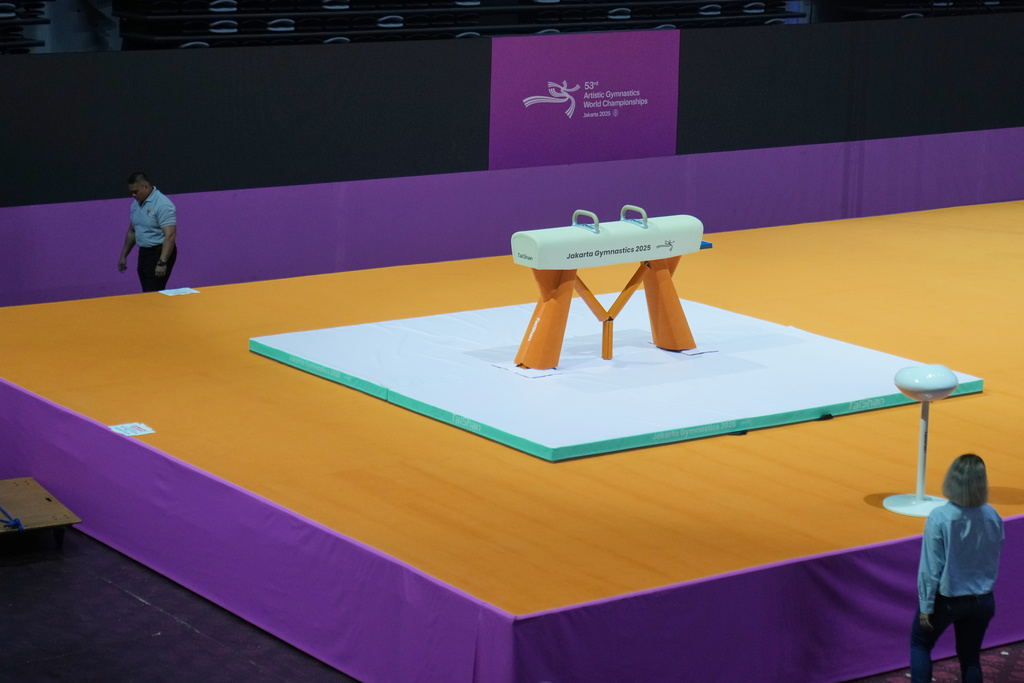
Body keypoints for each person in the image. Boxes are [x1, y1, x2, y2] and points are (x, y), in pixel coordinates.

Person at [911, 453, 1004, 683]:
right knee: (970, 658)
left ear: (951, 479)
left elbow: (931, 568)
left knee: (920, 645)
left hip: (949, 600)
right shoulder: (993, 515)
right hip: (983, 599)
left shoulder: (939, 517)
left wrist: (926, 605)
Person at [118, 172, 178, 292]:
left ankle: (160, 311)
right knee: (146, 291)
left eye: (136, 191)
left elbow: (170, 236)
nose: (133, 195)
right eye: (131, 192)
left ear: (146, 186)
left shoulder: (163, 205)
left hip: (159, 252)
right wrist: (124, 255)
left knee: (154, 292)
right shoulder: (135, 204)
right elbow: (132, 231)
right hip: (144, 252)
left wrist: (162, 263)